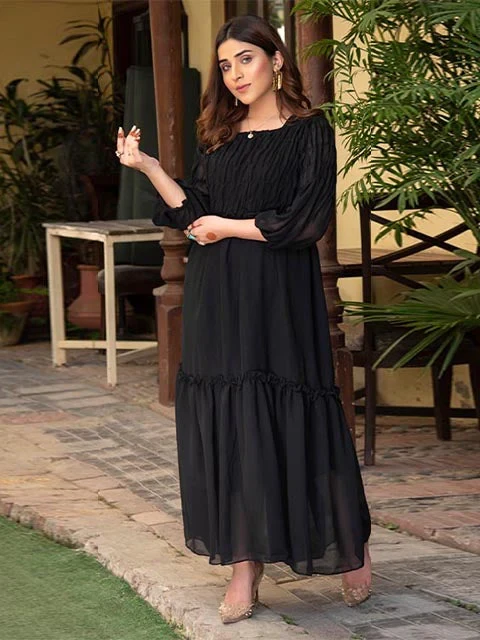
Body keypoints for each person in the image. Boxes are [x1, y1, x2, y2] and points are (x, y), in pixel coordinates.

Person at [116, 14, 372, 625]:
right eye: (226, 64)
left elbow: (305, 221)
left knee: (299, 408)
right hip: (218, 295)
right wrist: (149, 166)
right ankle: (244, 563)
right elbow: (193, 213)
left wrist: (228, 227)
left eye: (246, 59)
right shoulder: (221, 137)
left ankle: (350, 543)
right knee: (231, 420)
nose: (234, 74)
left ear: (276, 60)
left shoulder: (310, 131)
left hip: (279, 294)